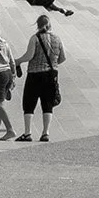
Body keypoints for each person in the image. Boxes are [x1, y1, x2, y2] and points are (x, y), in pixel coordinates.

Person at [15, 13, 66, 142]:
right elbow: (62, 58)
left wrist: (18, 61)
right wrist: (53, 64)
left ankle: (27, 133)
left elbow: (29, 56)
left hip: (35, 74)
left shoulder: (35, 38)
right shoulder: (57, 38)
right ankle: (45, 133)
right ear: (50, 25)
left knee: (29, 102)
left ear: (38, 25)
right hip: (51, 75)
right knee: (47, 103)